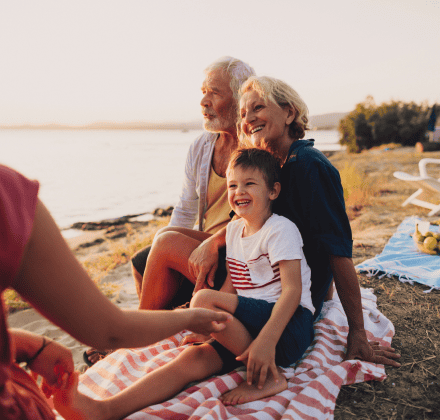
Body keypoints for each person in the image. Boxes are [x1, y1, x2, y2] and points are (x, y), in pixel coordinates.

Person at [52, 147, 315, 419]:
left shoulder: (281, 230)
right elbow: (232, 287)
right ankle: (105, 409)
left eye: (250, 184)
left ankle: (269, 378)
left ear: (273, 191)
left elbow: (293, 291)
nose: (239, 192)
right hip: (251, 330)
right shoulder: (235, 230)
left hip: (287, 328)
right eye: (233, 185)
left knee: (202, 300)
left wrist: (266, 342)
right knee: (192, 358)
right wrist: (212, 330)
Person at [189, 75, 401, 367]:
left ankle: (146, 330)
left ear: (289, 113)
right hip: (255, 274)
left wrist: (358, 334)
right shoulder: (270, 163)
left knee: (168, 245)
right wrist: (214, 242)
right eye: (243, 113)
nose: (248, 119)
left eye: (258, 107)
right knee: (166, 241)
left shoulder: (310, 167)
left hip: (282, 292)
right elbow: (239, 221)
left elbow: (338, 252)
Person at [0, 164, 232, 420]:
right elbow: (108, 330)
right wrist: (192, 317)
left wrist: (26, 344)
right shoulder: (8, 193)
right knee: (158, 245)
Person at [85, 56, 255, 366]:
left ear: (241, 95)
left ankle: (131, 338)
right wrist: (163, 248)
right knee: (145, 258)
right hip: (203, 245)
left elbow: (254, 219)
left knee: (164, 245)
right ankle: (157, 328)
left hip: (237, 251)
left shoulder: (256, 148)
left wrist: (189, 245)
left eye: (214, 92)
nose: (204, 101)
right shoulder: (202, 147)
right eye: (203, 91)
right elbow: (186, 208)